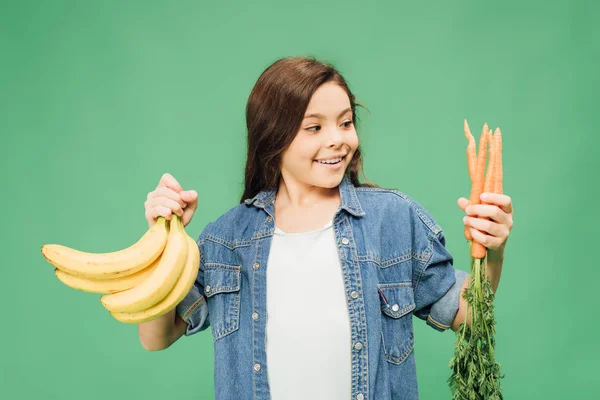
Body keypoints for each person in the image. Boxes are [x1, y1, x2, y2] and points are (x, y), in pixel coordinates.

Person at [138, 56, 514, 400]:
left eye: (346, 122)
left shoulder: (392, 219)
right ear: (274, 138)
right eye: (314, 127)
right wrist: (164, 238)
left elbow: (470, 315)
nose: (337, 139)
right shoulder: (227, 238)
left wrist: (492, 251)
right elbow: (156, 336)